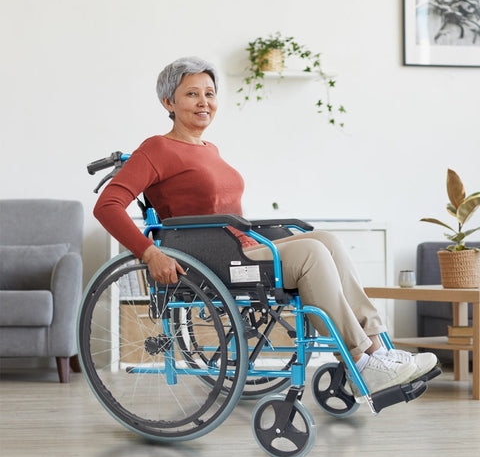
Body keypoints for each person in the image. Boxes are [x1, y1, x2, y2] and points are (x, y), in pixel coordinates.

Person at [94, 56, 437, 396]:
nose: (204, 102)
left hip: (240, 247)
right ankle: (360, 360)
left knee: (326, 240)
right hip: (212, 258)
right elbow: (107, 206)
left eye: (210, 94)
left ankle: (380, 350)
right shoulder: (156, 148)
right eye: (192, 94)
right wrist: (149, 253)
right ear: (168, 102)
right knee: (311, 252)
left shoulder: (209, 148)